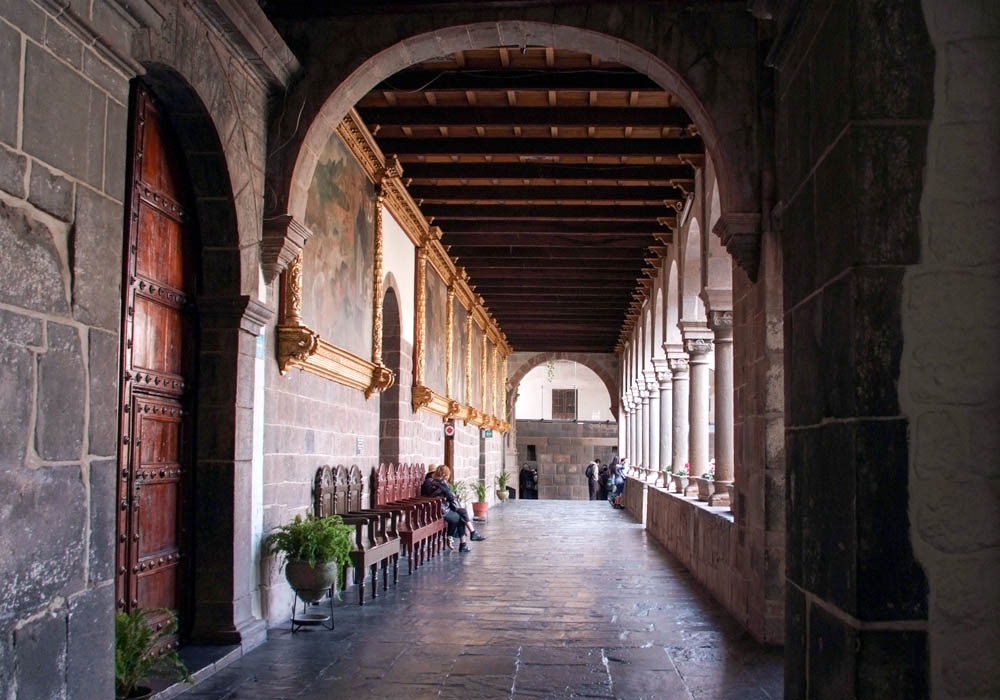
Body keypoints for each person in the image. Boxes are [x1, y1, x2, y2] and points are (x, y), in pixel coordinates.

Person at [431, 465, 485, 548]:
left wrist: (453, 498)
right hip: (441, 510)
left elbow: (446, 496)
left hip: (436, 508)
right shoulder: (442, 483)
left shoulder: (434, 482)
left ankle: (468, 538)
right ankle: (467, 539)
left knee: (461, 514)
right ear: (446, 474)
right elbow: (451, 496)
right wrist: (456, 502)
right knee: (461, 516)